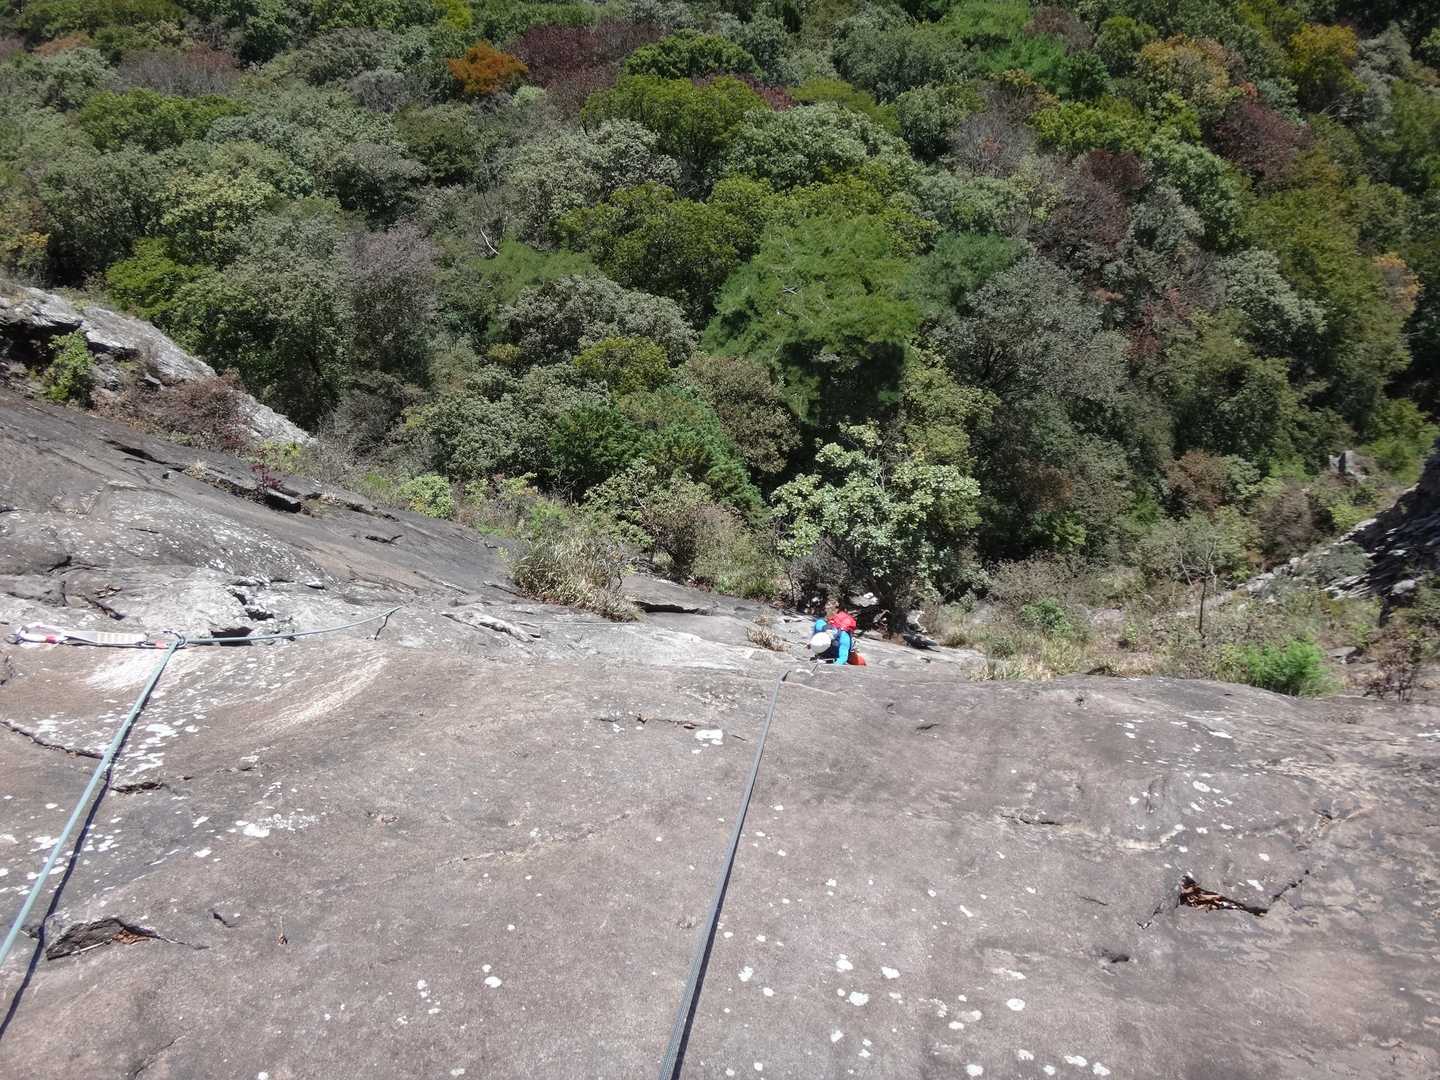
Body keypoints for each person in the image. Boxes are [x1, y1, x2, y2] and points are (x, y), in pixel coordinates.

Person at [806, 601, 860, 665]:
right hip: (830, 650)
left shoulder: (843, 636)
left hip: (842, 653)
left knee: (859, 662)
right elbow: (817, 630)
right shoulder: (820, 625)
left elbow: (843, 658)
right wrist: (812, 643)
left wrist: (834, 664)